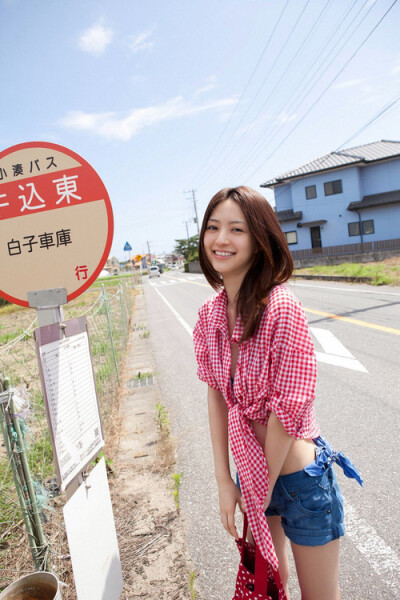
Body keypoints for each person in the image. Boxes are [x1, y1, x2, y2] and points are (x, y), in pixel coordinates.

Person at [193, 186, 362, 600]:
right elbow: (217, 395)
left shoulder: (281, 307)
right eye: (213, 227)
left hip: (298, 479)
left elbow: (289, 410)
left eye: (237, 229)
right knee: (269, 586)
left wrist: (259, 490)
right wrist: (224, 482)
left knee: (319, 595)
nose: (221, 239)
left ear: (259, 239)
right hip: (251, 471)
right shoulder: (210, 314)